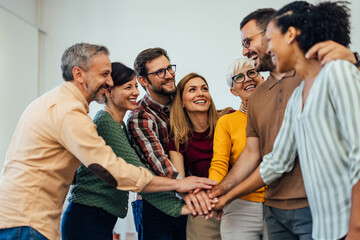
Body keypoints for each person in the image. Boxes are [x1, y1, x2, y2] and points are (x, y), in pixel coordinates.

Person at [0, 43, 216, 240]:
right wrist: (179, 185)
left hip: (25, 219)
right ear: (79, 74)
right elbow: (114, 170)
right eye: (104, 74)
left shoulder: (56, 103)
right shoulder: (71, 113)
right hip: (27, 222)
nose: (110, 81)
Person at [214, 1, 360, 239]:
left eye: (270, 40)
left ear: (290, 34)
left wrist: (356, 229)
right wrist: (225, 195)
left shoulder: (337, 72)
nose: (269, 49)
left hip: (346, 226)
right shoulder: (298, 99)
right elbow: (277, 160)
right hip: (324, 228)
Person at [61, 62, 191, 240]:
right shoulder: (105, 122)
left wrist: (179, 206)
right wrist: (180, 190)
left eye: (136, 86)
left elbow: (138, 179)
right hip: (87, 217)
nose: (136, 92)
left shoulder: (119, 125)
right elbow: (137, 172)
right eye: (128, 87)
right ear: (108, 91)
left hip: (99, 218)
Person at [128, 48, 211, 240]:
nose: (169, 75)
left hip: (187, 199)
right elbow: (158, 160)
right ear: (143, 81)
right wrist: (186, 188)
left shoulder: (181, 103)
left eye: (169, 68)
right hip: (154, 206)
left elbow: (206, 121)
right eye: (160, 72)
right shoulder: (140, 116)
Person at [208, 58, 266, 240]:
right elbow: (219, 164)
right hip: (240, 205)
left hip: (280, 204)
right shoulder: (227, 122)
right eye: (239, 77)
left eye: (251, 73)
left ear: (262, 79)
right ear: (233, 91)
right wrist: (214, 195)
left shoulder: (279, 112)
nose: (247, 79)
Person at [168, 73, 221, 240]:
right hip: (203, 205)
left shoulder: (226, 120)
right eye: (192, 90)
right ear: (182, 102)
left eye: (204, 89)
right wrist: (196, 198)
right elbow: (180, 179)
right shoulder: (178, 138)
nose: (200, 93)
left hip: (237, 201)